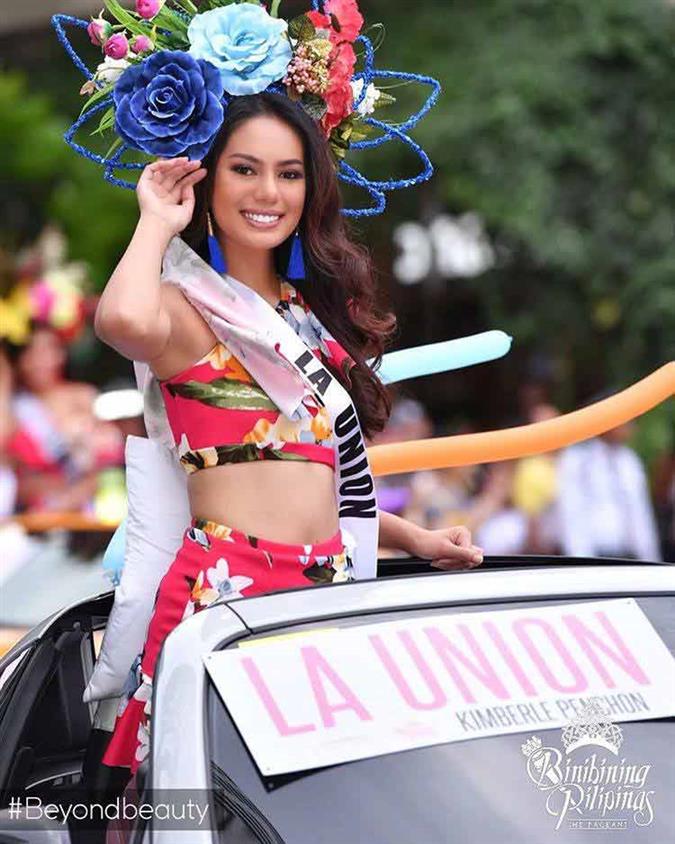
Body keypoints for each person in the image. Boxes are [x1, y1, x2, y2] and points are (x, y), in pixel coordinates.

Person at [93, 92, 484, 773]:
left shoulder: (309, 317)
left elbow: (311, 477)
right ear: (206, 179)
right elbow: (121, 322)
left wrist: (412, 539)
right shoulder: (187, 308)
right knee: (211, 798)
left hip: (326, 586)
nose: (268, 192)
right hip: (227, 591)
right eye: (244, 169)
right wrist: (155, 221)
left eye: (289, 172)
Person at [556, 423, 662, 561]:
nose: (632, 428)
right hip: (594, 554)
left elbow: (640, 513)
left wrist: (650, 558)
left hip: (629, 554)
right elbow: (572, 512)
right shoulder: (578, 459)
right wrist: (581, 561)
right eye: (626, 423)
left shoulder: (629, 460)